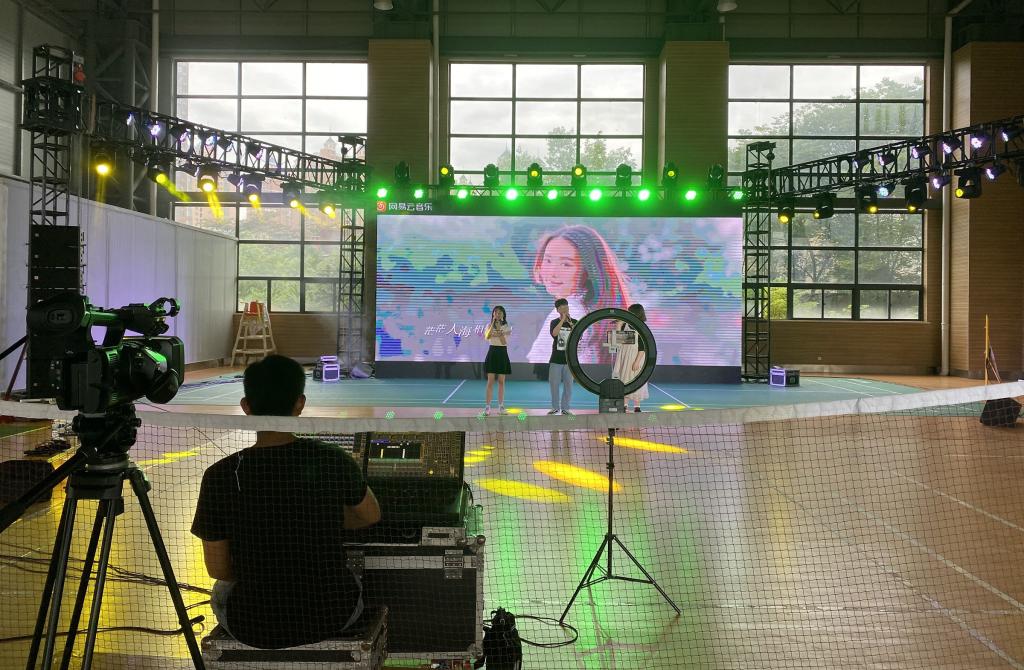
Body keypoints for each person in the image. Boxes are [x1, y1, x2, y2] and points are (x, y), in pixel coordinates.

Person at [191, 355, 381, 649]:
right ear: (300, 403)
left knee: (219, 590)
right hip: (333, 614)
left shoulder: (219, 475)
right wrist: (322, 514)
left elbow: (218, 569)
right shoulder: (333, 460)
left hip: (251, 625)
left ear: (246, 406)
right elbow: (371, 515)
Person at [527, 225, 631, 365]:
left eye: (566, 264)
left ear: (588, 270)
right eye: (548, 260)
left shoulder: (570, 313)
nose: (552, 272)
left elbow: (552, 366)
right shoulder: (598, 312)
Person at [612, 303, 650, 412]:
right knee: (624, 380)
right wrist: (619, 324)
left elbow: (643, 347)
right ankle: (624, 405)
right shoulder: (625, 324)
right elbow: (616, 342)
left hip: (636, 356)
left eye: (630, 311)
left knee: (636, 380)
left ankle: (637, 407)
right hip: (624, 356)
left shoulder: (641, 326)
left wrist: (637, 362)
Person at [548, 298, 577, 415]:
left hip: (569, 359)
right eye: (562, 307)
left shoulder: (574, 321)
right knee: (554, 384)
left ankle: (565, 408)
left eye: (566, 306)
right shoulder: (554, 322)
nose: (565, 308)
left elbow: (578, 336)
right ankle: (555, 407)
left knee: (568, 385)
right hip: (556, 358)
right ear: (557, 310)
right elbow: (554, 334)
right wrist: (562, 320)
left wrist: (570, 323)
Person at [482, 305, 511, 416]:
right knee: (490, 381)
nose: (497, 314)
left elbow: (503, 341)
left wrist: (498, 330)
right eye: (496, 312)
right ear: (493, 314)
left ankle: (501, 407)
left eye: (500, 312)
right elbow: (487, 336)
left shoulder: (507, 326)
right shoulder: (489, 325)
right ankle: (487, 407)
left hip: (502, 352)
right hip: (492, 352)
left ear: (503, 314)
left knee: (501, 382)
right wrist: (494, 327)